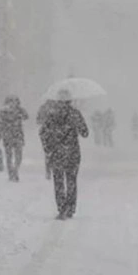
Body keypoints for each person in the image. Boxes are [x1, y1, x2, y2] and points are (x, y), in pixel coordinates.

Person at [40, 91, 89, 220]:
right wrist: (76, 125)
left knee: (58, 181)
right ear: (70, 101)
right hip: (72, 152)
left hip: (56, 153)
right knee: (71, 180)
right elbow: (85, 133)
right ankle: (70, 208)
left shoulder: (51, 115)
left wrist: (48, 147)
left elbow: (43, 133)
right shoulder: (75, 114)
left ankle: (61, 208)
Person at [0, 95, 29, 182]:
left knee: (9, 156)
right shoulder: (17, 110)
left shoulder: (3, 111)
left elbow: (0, 124)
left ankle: (12, 172)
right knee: (17, 155)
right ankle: (14, 170)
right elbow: (26, 116)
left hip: (8, 136)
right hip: (17, 135)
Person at [37, 100, 58, 180]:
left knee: (48, 153)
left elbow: (38, 120)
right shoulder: (58, 108)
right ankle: (52, 169)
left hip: (46, 134)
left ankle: (49, 170)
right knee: (53, 152)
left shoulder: (43, 108)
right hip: (54, 134)